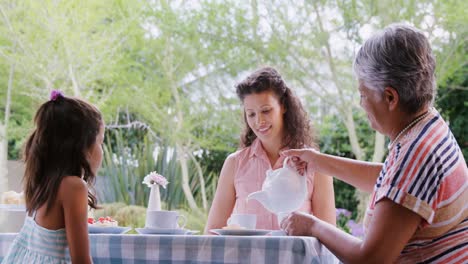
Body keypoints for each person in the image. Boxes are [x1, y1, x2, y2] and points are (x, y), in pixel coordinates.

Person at [281, 24, 468, 263]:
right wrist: (317, 162)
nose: (361, 104)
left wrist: (312, 226)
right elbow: (393, 183)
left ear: (390, 97)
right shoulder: (427, 125)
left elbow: (370, 258)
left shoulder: (416, 154)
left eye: (363, 94)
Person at [205, 67, 336, 233]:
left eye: (266, 111)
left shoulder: (314, 164)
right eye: (251, 114)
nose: (259, 121)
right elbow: (212, 232)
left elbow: (329, 235)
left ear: (283, 106)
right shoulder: (234, 163)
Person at [1, 90, 104, 264]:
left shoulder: (44, 179)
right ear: (80, 144)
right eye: (100, 141)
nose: (102, 150)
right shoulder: (74, 187)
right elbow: (81, 259)